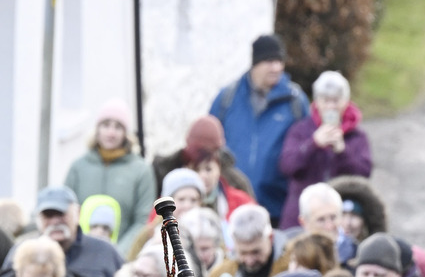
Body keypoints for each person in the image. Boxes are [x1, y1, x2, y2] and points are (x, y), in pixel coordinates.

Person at [209, 33, 309, 223]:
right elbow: (209, 145)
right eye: (270, 61)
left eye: (280, 61)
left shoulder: (295, 101)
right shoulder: (227, 98)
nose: (277, 67)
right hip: (232, 207)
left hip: (278, 210)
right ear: (255, 63)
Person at [278, 72, 372, 231]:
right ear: (316, 103)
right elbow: (287, 165)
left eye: (336, 101)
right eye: (325, 101)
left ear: (346, 102)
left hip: (340, 219)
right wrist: (313, 144)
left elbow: (364, 174)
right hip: (300, 217)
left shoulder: (357, 136)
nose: (331, 106)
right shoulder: (300, 130)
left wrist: (343, 152)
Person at [64, 100, 156, 257]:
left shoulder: (141, 170)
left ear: (126, 133)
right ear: (97, 129)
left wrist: (117, 253)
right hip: (80, 255)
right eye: (106, 125)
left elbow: (142, 220)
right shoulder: (78, 167)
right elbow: (67, 211)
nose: (111, 133)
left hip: (123, 258)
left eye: (118, 127)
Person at [26, 185, 123, 277]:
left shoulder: (105, 252)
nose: (55, 222)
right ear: (38, 219)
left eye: (61, 214)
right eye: (48, 215)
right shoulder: (22, 254)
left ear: (78, 213)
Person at [152, 115, 255, 217]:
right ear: (185, 167)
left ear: (219, 168)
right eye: (196, 170)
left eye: (208, 169)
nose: (202, 176)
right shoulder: (165, 201)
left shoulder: (239, 195)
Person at [208, 203, 286, 277]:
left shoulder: (292, 266)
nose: (250, 261)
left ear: (270, 238)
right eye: (243, 253)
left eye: (256, 252)